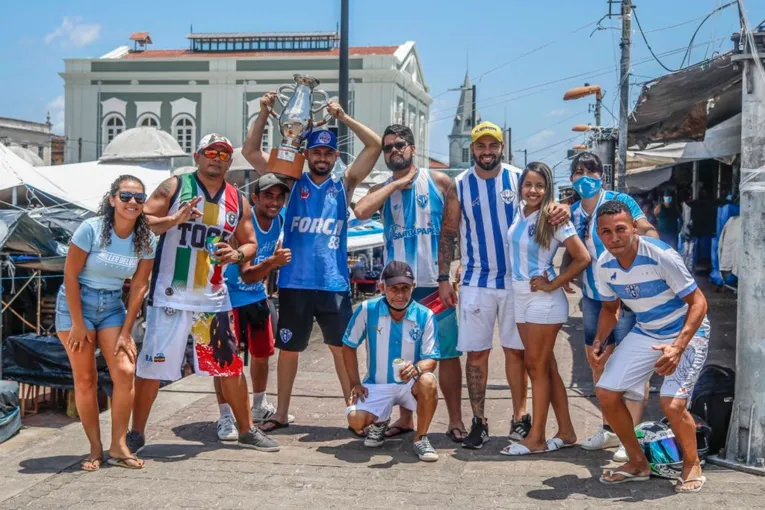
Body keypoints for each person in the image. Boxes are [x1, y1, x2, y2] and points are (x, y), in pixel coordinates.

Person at [129, 133, 279, 453]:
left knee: (228, 366)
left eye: (224, 154)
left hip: (212, 299)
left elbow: (250, 242)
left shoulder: (236, 200)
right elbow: (142, 220)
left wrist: (237, 255)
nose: (216, 159)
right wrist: (175, 219)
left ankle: (246, 430)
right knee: (152, 369)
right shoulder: (175, 186)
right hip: (171, 295)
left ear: (229, 162)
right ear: (197, 156)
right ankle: (136, 433)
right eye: (210, 152)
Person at [242, 92, 381, 431]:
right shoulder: (288, 181)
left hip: (333, 283)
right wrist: (263, 114)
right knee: (288, 351)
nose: (322, 157)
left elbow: (374, 146)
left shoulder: (344, 183)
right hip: (294, 282)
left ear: (335, 156)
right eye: (316, 151)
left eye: (328, 152)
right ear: (306, 154)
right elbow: (250, 153)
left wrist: (343, 117)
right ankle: (280, 413)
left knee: (342, 350)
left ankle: (355, 413)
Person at [438, 121, 571, 449]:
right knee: (476, 354)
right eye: (481, 146)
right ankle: (479, 421)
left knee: (517, 352)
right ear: (473, 149)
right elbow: (449, 232)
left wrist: (562, 205)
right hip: (475, 281)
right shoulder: (459, 184)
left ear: (501, 147)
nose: (487, 151)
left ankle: (519, 416)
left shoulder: (518, 178)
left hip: (516, 283)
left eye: (492, 145)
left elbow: (546, 205)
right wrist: (444, 277)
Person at [354, 124, 466, 442]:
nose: (393, 151)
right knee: (402, 355)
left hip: (434, 283)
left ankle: (455, 420)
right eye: (387, 148)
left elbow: (458, 228)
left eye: (399, 145)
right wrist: (396, 184)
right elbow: (361, 210)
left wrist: (454, 273)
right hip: (399, 287)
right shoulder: (383, 187)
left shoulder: (439, 181)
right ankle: (405, 418)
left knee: (446, 354)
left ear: (413, 148)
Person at [592, 200, 710, 493]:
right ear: (598, 234)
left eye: (621, 229)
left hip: (687, 332)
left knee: (671, 403)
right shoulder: (604, 265)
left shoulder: (660, 255)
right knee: (606, 393)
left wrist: (678, 347)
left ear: (634, 227)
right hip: (647, 331)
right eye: (606, 232)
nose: (614, 238)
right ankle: (637, 463)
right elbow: (610, 308)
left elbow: (699, 303)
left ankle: (691, 463)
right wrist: (600, 340)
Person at [56, 175, 156, 470]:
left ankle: (118, 444)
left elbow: (139, 286)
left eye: (139, 198)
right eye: (125, 196)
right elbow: (70, 276)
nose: (132, 202)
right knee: (85, 379)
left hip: (112, 304)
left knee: (125, 370)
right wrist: (77, 322)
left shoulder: (146, 238)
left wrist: (127, 331)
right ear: (113, 199)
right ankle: (95, 449)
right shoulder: (91, 229)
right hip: (76, 304)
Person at [568, 151, 659, 461]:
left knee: (633, 365)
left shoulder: (619, 202)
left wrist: (652, 240)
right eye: (579, 173)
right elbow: (572, 247)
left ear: (601, 177)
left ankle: (629, 436)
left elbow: (643, 225)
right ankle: (609, 429)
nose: (585, 179)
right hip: (595, 297)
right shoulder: (572, 212)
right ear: (571, 180)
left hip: (629, 297)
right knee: (598, 361)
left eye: (591, 173)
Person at [501, 162, 590, 455]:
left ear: (548, 187)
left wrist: (554, 283)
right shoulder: (520, 211)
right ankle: (566, 431)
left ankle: (536, 438)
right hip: (521, 296)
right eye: (528, 185)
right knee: (546, 367)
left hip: (543, 300)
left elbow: (582, 257)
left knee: (536, 367)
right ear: (521, 187)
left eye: (539, 185)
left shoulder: (553, 217)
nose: (533, 190)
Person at [213, 174, 293, 440]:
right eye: (268, 196)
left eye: (279, 196)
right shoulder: (243, 227)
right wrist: (272, 262)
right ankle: (225, 417)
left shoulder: (279, 219)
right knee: (225, 362)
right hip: (230, 297)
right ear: (255, 198)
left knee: (262, 355)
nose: (275, 202)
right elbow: (246, 273)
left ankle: (258, 406)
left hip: (257, 295)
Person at [343, 261, 440, 462]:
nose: (400, 295)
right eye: (394, 289)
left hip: (409, 385)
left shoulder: (425, 315)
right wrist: (355, 383)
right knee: (355, 421)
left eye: (405, 288)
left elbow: (431, 358)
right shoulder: (367, 309)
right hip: (377, 385)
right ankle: (381, 419)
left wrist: (417, 368)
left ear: (413, 287)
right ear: (382, 288)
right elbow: (348, 345)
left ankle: (421, 437)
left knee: (428, 381)